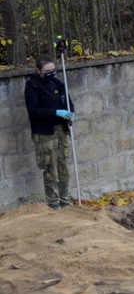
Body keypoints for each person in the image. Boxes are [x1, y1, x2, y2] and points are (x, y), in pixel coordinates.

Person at [24, 54, 75, 210]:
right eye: (47, 71)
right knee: (51, 170)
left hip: (61, 131)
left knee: (64, 167)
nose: (51, 73)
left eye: (53, 69)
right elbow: (33, 110)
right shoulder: (33, 86)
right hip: (45, 134)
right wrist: (55, 113)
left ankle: (65, 201)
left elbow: (68, 103)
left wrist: (71, 113)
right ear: (39, 71)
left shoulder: (57, 83)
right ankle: (54, 205)